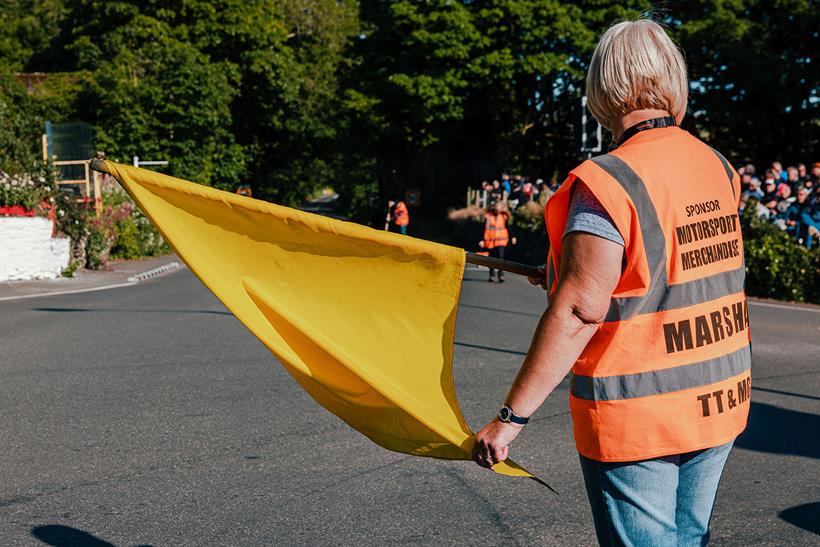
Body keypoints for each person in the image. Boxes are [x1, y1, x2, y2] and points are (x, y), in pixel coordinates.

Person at [472, 19, 751, 546]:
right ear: (673, 78)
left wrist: (510, 419)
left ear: (604, 88)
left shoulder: (607, 181)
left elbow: (580, 309)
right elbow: (676, 268)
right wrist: (568, 274)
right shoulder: (717, 166)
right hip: (718, 399)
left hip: (640, 417)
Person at [478, 201, 516, 282]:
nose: (497, 210)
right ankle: (492, 275)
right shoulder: (487, 216)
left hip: (501, 241)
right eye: (496, 209)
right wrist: (481, 240)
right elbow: (483, 228)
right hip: (490, 242)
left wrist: (512, 237)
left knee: (500, 258)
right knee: (491, 259)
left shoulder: (503, 216)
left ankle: (501, 275)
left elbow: (508, 227)